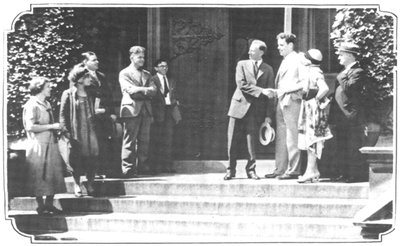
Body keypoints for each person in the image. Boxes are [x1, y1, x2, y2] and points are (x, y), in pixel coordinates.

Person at [224, 39, 275, 180]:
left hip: (255, 111)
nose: (249, 52)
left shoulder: (268, 69)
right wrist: (261, 91)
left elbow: (270, 94)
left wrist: (268, 115)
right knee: (232, 140)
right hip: (238, 107)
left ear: (261, 52)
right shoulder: (241, 64)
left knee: (251, 141)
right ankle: (230, 170)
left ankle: (251, 170)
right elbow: (241, 84)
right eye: (249, 50)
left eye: (252, 50)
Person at [23, 77, 66, 215]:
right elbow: (30, 126)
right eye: (48, 86)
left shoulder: (46, 103)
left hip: (50, 143)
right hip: (39, 145)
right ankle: (40, 205)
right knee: (39, 174)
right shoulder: (32, 104)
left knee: (53, 174)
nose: (51, 88)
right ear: (39, 88)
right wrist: (51, 126)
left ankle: (49, 204)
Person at [265, 33, 303, 180]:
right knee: (282, 137)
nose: (278, 48)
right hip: (281, 102)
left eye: (281, 45)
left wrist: (282, 91)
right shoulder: (285, 60)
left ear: (290, 45)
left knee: (292, 136)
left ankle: (294, 170)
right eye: (278, 45)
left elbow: (304, 82)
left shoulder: (299, 58)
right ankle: (280, 169)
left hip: (292, 102)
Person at [327, 42, 367, 183]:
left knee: (352, 146)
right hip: (340, 117)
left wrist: (342, 75)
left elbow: (350, 88)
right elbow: (338, 92)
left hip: (350, 116)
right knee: (342, 146)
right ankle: (343, 173)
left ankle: (354, 175)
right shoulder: (344, 72)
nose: (339, 57)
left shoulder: (358, 72)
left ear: (350, 55)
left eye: (341, 54)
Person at [60, 64, 99, 197]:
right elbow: (63, 114)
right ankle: (77, 183)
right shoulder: (68, 94)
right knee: (76, 158)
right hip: (77, 131)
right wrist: (66, 131)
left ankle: (90, 183)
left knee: (92, 157)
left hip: (91, 130)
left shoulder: (91, 92)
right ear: (79, 79)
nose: (89, 78)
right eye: (87, 76)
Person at [119, 46, 157, 178]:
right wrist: (145, 91)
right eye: (139, 57)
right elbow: (130, 90)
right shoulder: (124, 73)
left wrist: (140, 90)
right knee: (129, 140)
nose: (142, 59)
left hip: (146, 110)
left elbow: (154, 91)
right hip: (131, 110)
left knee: (145, 140)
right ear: (132, 57)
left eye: (143, 57)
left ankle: (143, 166)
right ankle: (128, 168)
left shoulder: (147, 74)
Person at [296, 49, 333, 183]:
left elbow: (324, 88)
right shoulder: (311, 70)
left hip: (312, 109)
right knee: (309, 139)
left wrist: (315, 100)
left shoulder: (314, 72)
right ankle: (312, 170)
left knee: (312, 139)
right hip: (310, 108)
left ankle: (311, 171)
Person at [81, 51, 118, 178]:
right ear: (85, 62)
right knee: (92, 143)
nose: (97, 62)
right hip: (89, 115)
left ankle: (104, 169)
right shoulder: (81, 76)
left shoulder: (101, 76)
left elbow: (109, 95)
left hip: (104, 115)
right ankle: (93, 171)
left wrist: (111, 112)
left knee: (104, 141)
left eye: (97, 59)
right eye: (93, 60)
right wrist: (90, 111)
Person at [149, 58, 182, 173]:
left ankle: (167, 165)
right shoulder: (152, 79)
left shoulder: (171, 80)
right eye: (162, 66)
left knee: (168, 140)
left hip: (169, 111)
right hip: (158, 112)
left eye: (166, 66)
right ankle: (156, 166)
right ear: (156, 68)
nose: (164, 68)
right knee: (157, 140)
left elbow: (175, 94)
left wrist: (176, 102)